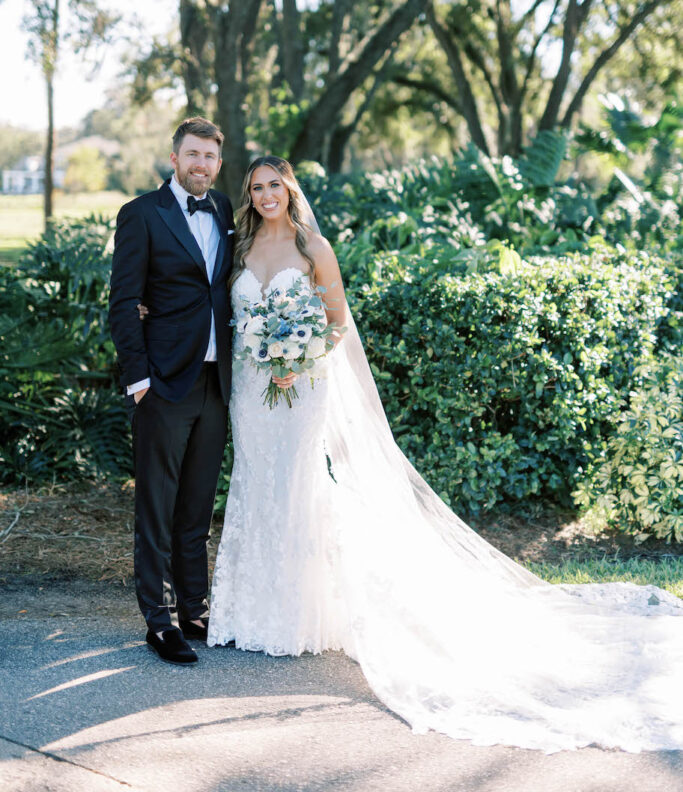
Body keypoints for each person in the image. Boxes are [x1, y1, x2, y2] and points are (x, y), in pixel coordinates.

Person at [206, 153, 683, 753]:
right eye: (257, 187)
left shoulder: (313, 249)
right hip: (252, 393)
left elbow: (336, 322)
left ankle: (297, 618)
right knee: (253, 482)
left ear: (290, 189)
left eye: (275, 185)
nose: (266, 194)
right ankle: (249, 614)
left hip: (302, 391)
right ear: (248, 196)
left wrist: (296, 359)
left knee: (299, 485)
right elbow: (227, 315)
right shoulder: (240, 249)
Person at [109, 117, 234, 666]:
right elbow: (123, 303)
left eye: (209, 156)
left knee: (197, 508)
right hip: (162, 384)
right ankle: (159, 622)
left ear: (218, 162)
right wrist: (140, 382)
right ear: (175, 157)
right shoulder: (141, 214)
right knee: (156, 506)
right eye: (192, 154)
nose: (201, 164)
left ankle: (194, 608)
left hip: (216, 382)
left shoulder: (228, 211)